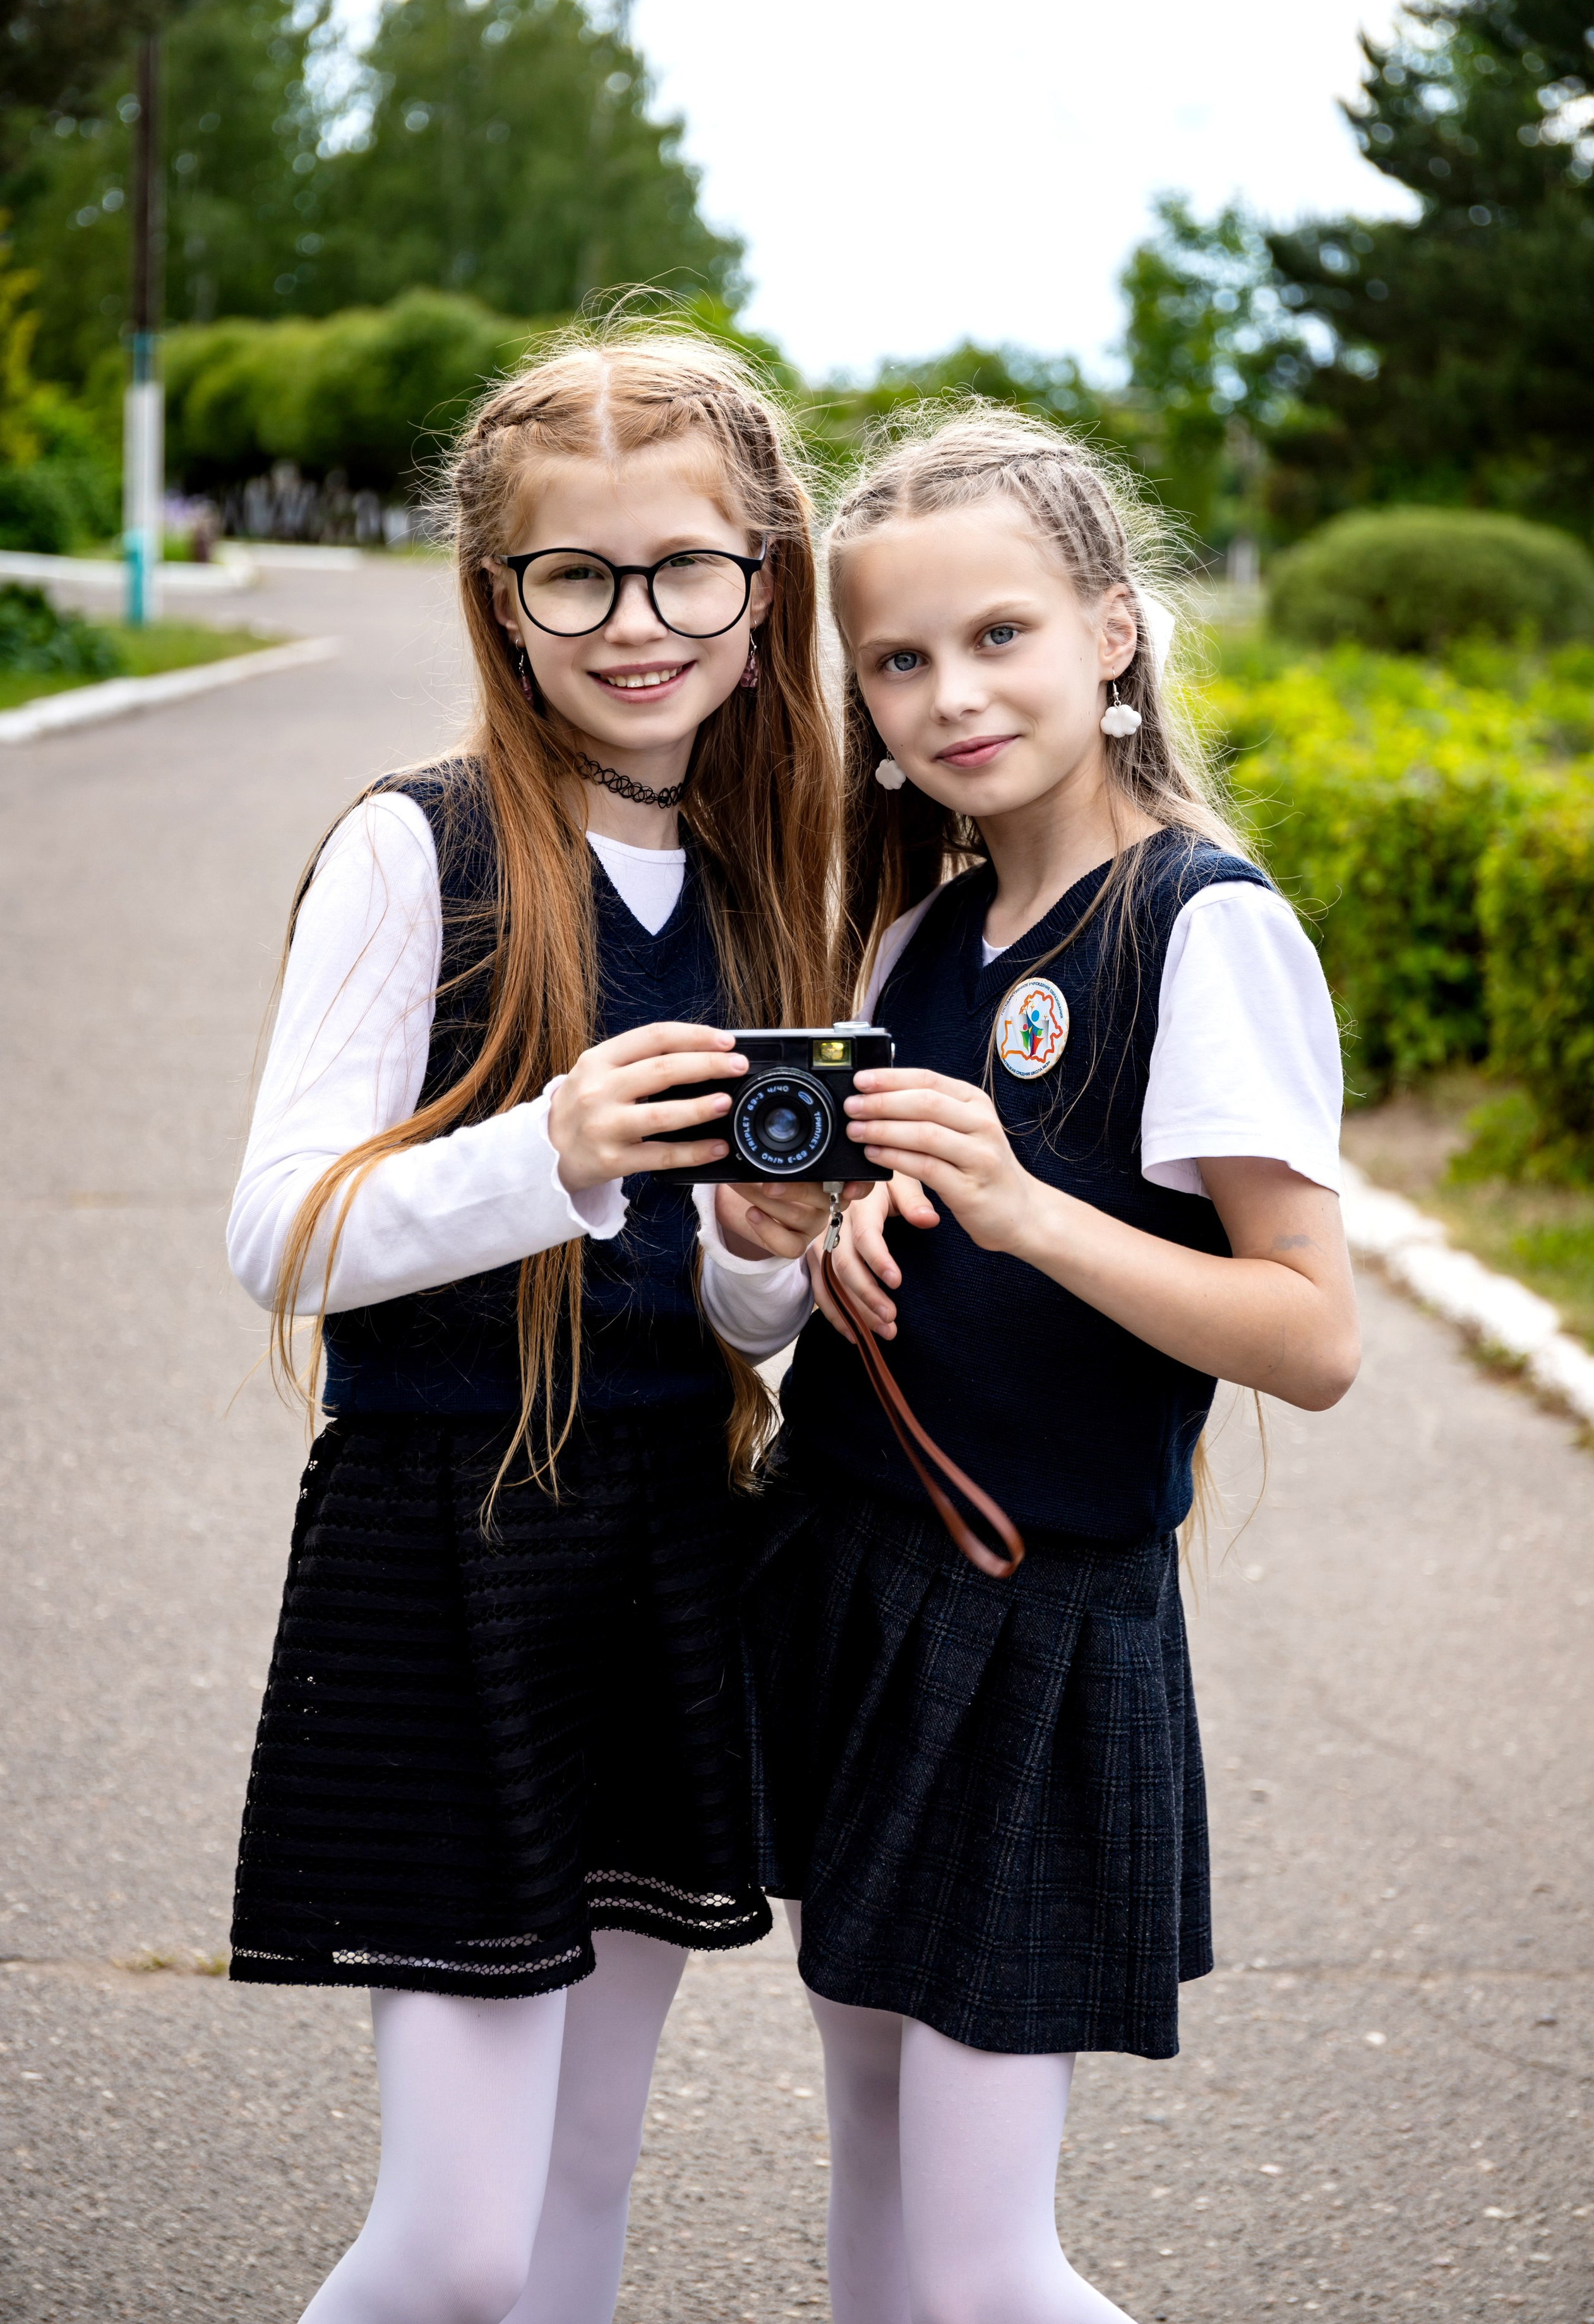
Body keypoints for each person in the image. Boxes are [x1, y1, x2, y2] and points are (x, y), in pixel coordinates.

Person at [225, 327, 839, 2324]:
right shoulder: (423, 844)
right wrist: (546, 1149)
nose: (637, 622)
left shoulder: (762, 875)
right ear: (502, 599)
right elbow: (282, 1234)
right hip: (444, 1547)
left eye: (688, 569)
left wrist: (765, 1245)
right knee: (462, 2244)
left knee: (580, 2191)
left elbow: (736, 1310)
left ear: (767, 582)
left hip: (665, 1541)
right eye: (576, 576)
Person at [743, 405, 1359, 2324]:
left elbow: (1313, 1334)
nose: (950, 694)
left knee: (995, 2258)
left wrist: (1025, 1215)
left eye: (998, 635)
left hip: (1038, 1618)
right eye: (900, 661)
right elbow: (902, 1225)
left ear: (1114, 632)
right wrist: (846, 1249)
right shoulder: (927, 923)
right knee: (868, 2151)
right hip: (858, 1564)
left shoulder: (1203, 927)